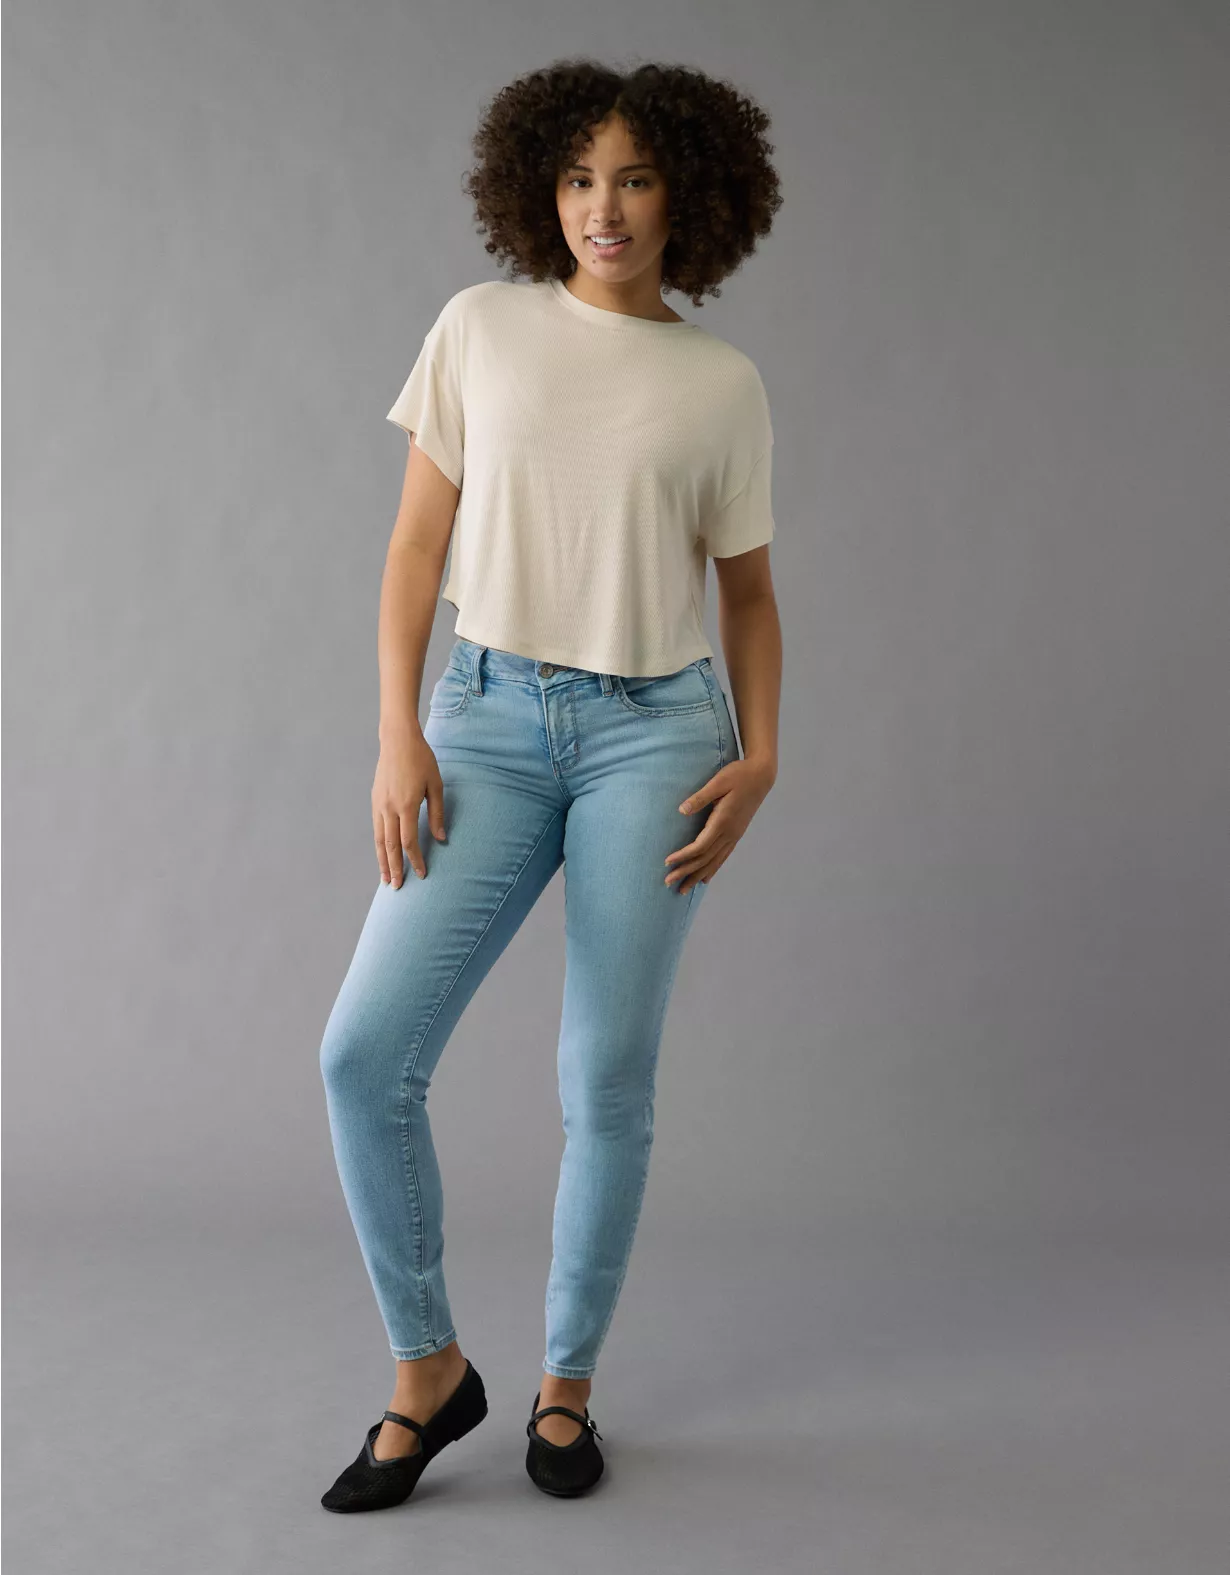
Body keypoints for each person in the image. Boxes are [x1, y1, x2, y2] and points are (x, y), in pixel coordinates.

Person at [319, 58, 784, 1511]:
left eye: (635, 177)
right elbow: (415, 546)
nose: (604, 207)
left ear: (687, 195)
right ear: (541, 189)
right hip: (485, 720)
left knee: (605, 1078)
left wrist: (764, 753)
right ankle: (428, 1370)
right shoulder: (480, 329)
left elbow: (748, 593)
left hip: (659, 735)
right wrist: (398, 733)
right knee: (363, 1055)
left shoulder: (720, 383)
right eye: (580, 177)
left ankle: (566, 1388)